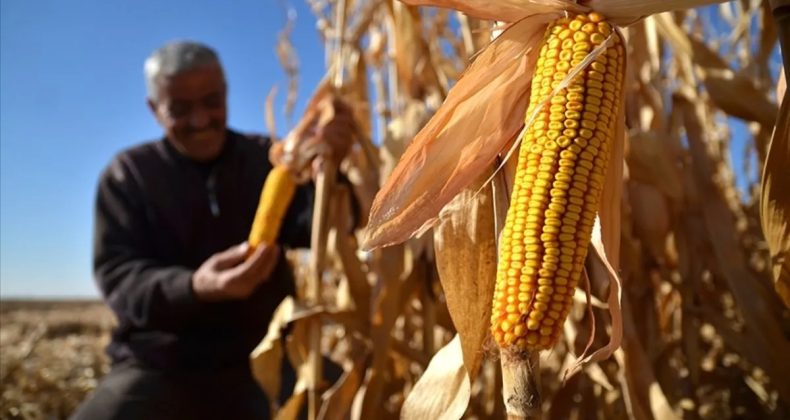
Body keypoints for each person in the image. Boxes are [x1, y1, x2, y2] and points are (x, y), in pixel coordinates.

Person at [72, 41, 355, 420]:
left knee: (349, 406)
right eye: (181, 109)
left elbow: (330, 225)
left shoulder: (264, 159)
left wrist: (332, 174)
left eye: (211, 101)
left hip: (266, 354)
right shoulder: (129, 176)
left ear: (225, 93)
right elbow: (120, 278)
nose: (201, 119)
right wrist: (196, 287)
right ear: (155, 110)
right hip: (161, 362)